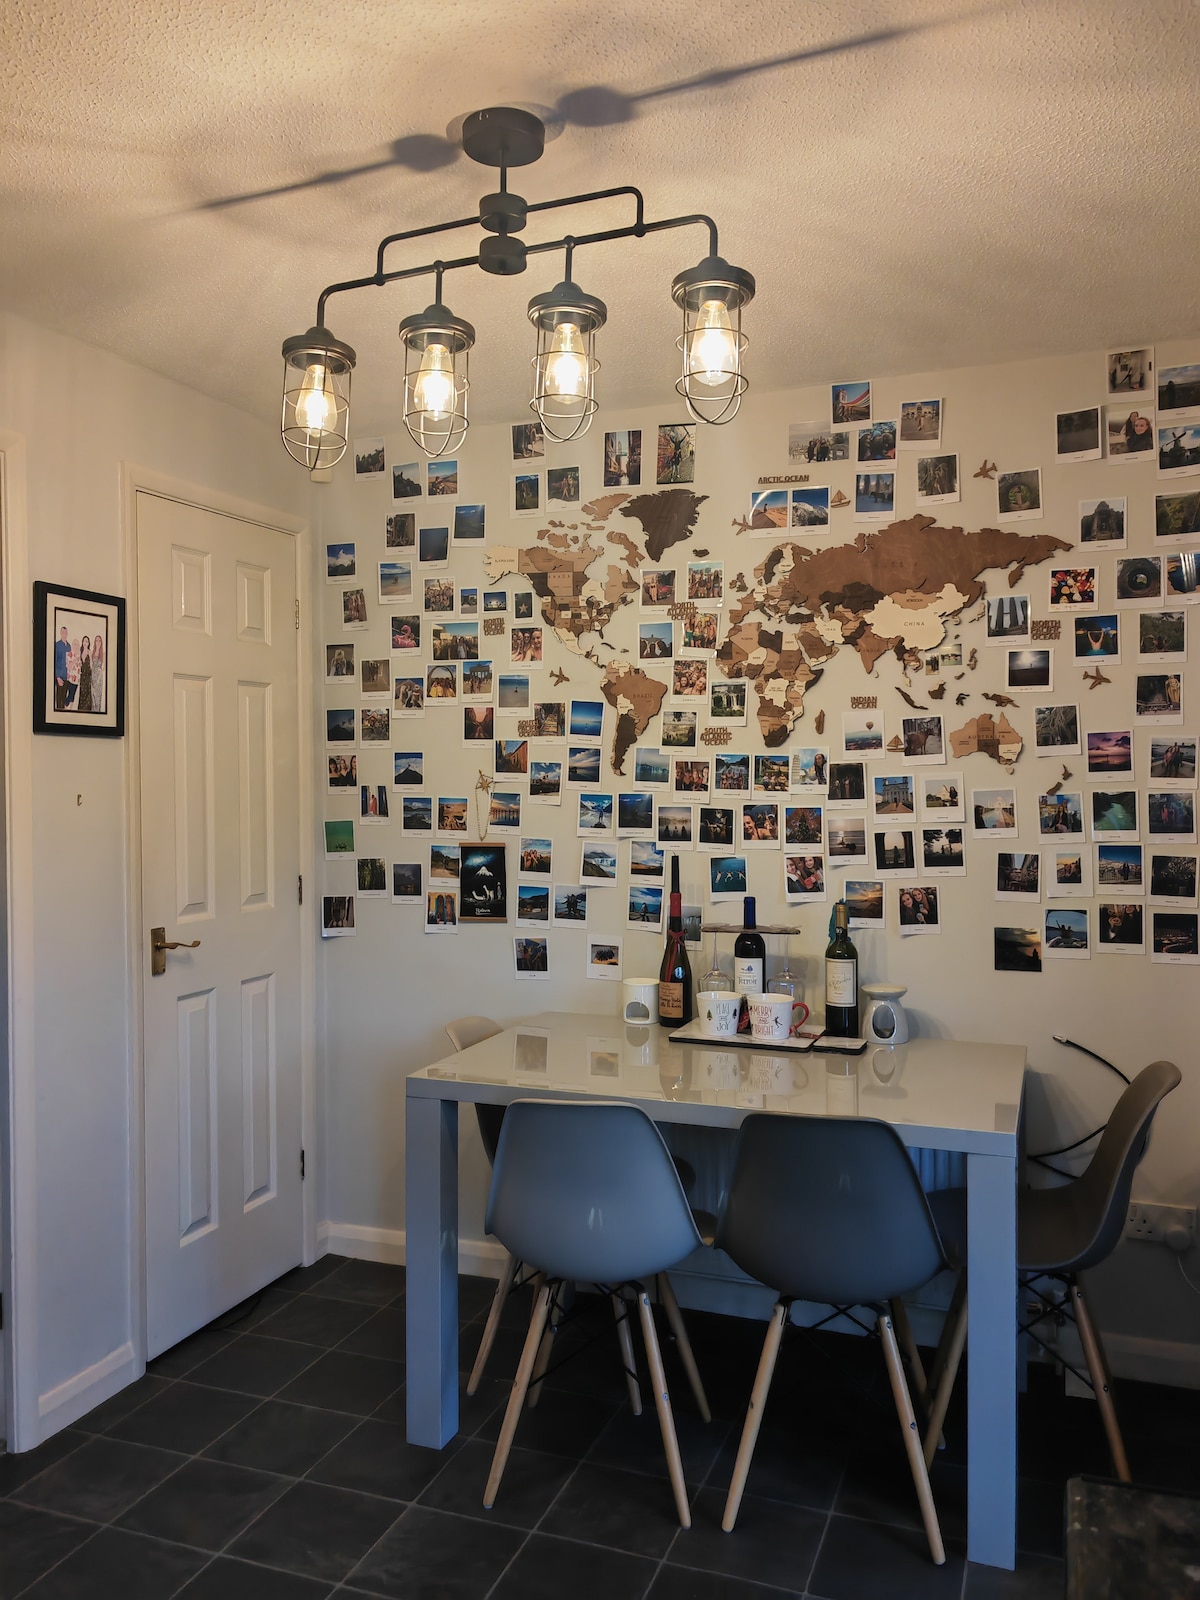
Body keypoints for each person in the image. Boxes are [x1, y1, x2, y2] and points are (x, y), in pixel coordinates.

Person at [54, 625, 74, 710]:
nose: (64, 634)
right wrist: (57, 677)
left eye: (65, 632)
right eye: (62, 632)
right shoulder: (57, 645)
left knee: (64, 700)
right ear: (60, 633)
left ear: (67, 633)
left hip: (67, 677)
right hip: (59, 677)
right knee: (59, 701)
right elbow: (54, 661)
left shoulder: (69, 646)